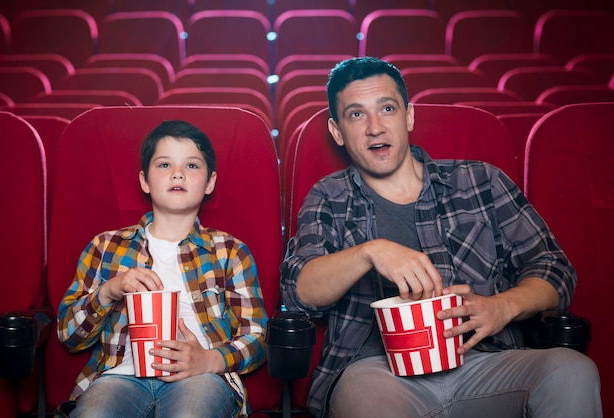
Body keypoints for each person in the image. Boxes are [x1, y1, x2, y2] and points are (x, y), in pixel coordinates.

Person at [280, 57, 602, 418]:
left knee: (572, 370)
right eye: (356, 115)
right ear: (337, 132)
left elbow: (554, 269)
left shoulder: (481, 181)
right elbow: (299, 292)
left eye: (387, 108)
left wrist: (503, 306)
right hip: (377, 374)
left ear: (409, 116)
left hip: (484, 363)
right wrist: (370, 253)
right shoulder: (329, 196)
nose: (375, 127)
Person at [57, 120, 268, 418]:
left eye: (192, 166)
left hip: (200, 377)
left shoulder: (229, 251)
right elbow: (69, 334)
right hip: (120, 375)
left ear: (210, 182)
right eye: (164, 164)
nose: (178, 173)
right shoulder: (106, 246)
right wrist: (108, 291)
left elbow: (258, 335)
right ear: (145, 181)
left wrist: (209, 360)